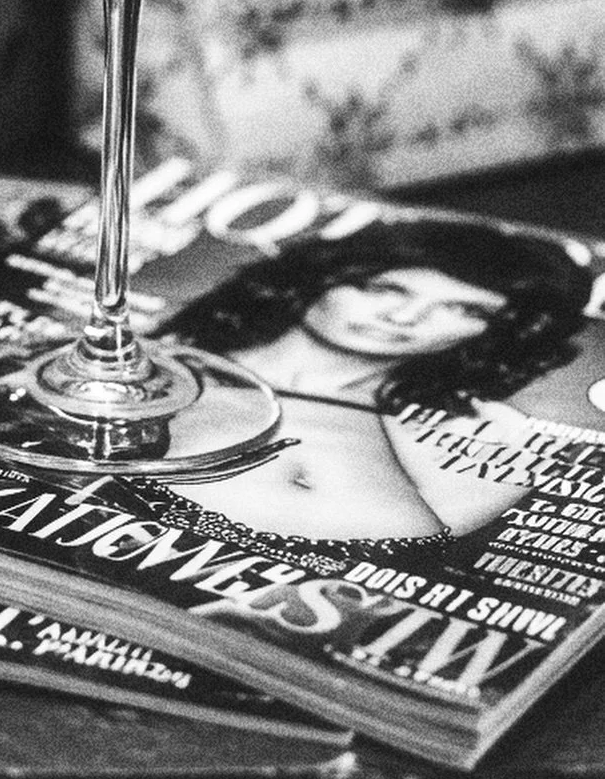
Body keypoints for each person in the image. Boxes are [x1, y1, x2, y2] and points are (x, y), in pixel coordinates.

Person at [139, 215, 592, 566]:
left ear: (491, 333)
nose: (404, 318)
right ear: (318, 279)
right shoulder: (154, 367)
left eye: (462, 309)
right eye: (383, 288)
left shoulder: (479, 432)